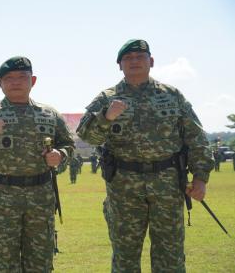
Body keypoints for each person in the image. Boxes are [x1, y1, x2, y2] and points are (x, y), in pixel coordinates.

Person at [77, 39, 214, 272]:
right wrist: (106, 117)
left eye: (140, 57)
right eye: (128, 58)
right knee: (125, 255)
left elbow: (196, 138)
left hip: (168, 185)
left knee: (170, 254)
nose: (134, 62)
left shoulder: (172, 96)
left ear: (151, 61)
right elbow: (87, 136)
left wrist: (200, 178)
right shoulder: (106, 98)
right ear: (119, 65)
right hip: (124, 187)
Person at [0, 56, 75, 272]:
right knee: (4, 262)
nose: (16, 82)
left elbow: (68, 145)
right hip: (3, 197)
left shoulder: (49, 115)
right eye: (9, 78)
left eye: (22, 77)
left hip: (40, 195)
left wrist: (60, 155)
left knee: (40, 262)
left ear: (33, 80)